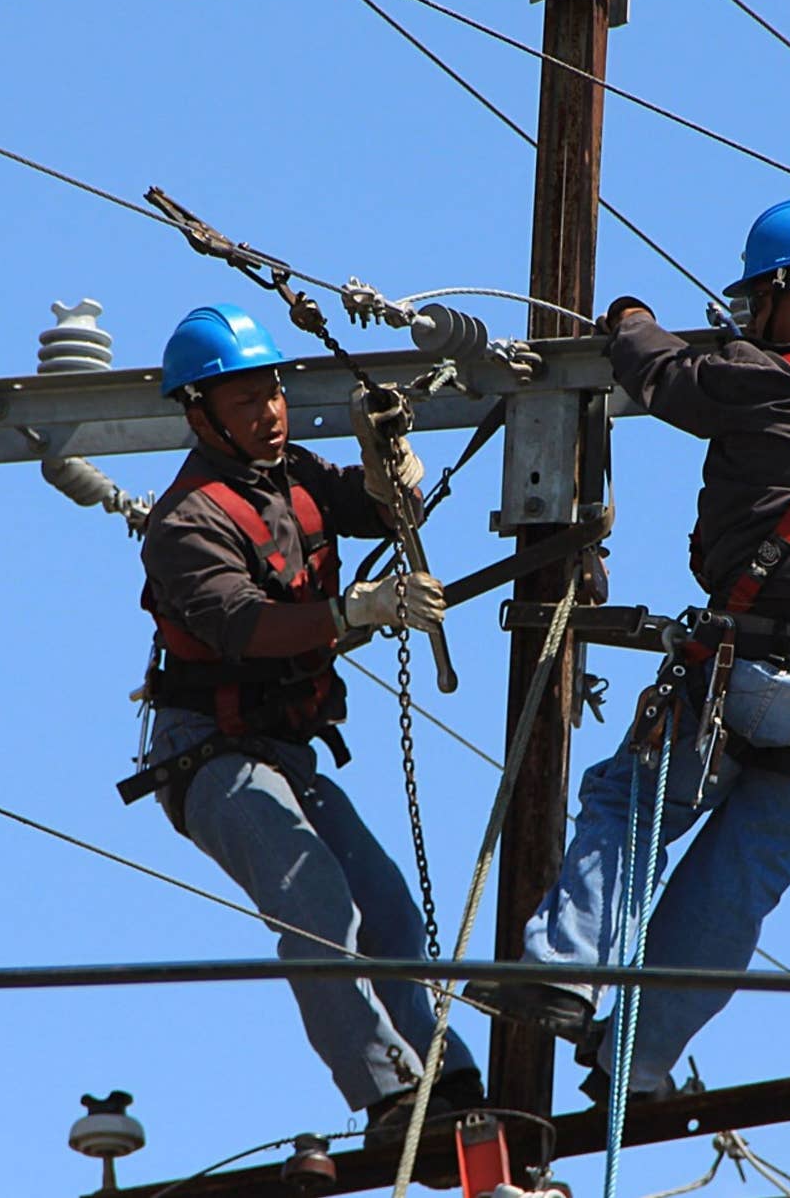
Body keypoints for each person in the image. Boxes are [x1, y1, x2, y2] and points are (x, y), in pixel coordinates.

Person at [471, 198, 790, 1101]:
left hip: (752, 668)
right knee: (737, 884)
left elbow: (658, 371)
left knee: (631, 809)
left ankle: (560, 970)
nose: (749, 326)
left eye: (757, 307)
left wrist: (627, 317)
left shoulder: (756, 377)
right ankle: (640, 1058)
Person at [126, 302, 482, 1141]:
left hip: (285, 750)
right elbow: (245, 626)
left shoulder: (293, 478)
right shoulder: (185, 522)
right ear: (199, 411)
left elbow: (383, 510)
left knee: (387, 906)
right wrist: (360, 611)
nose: (270, 412)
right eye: (245, 400)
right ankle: (389, 1094)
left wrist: (387, 455)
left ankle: (446, 1076)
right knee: (313, 896)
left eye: (273, 392)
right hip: (208, 755)